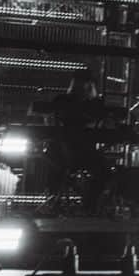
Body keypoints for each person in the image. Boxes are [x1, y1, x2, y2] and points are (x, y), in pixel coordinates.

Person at [46, 72, 115, 212]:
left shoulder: (95, 104)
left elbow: (106, 122)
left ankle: (89, 203)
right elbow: (49, 118)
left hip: (83, 151)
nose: (84, 87)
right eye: (81, 83)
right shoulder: (63, 101)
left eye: (87, 84)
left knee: (105, 172)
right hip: (63, 149)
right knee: (101, 171)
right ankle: (77, 202)